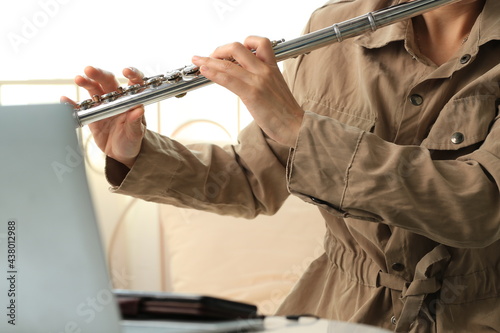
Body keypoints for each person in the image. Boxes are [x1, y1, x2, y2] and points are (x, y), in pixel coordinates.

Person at [64, 0, 500, 331]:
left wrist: (298, 127)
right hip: (337, 309)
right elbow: (257, 178)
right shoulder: (334, 28)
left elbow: (480, 205)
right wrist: (133, 151)